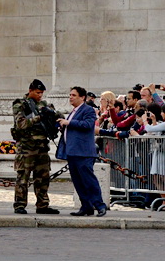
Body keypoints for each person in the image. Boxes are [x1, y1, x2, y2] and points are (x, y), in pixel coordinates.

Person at [57, 86, 108, 216]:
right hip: (72, 151)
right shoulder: (73, 111)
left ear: (82, 97)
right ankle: (86, 206)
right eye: (70, 95)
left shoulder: (88, 110)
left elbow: (88, 125)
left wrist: (69, 123)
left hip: (83, 152)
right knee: (78, 182)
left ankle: (99, 205)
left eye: (74, 95)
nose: (71, 97)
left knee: (88, 180)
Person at [11, 79, 60, 215]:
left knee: (43, 178)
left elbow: (57, 116)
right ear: (30, 90)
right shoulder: (20, 104)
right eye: (38, 92)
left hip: (42, 147)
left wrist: (53, 115)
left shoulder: (44, 104)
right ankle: (20, 205)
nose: (40, 95)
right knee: (23, 178)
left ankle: (42, 205)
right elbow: (21, 124)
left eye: (42, 93)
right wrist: (39, 118)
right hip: (26, 148)